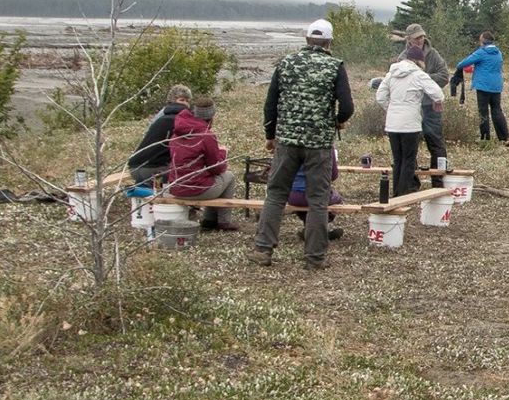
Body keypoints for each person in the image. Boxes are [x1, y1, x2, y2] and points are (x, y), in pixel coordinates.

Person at [251, 20, 355, 270]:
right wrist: (337, 122)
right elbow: (348, 107)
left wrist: (270, 134)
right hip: (318, 144)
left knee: (275, 194)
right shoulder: (335, 66)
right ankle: (314, 257)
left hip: (286, 141)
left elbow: (270, 104)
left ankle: (263, 250)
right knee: (318, 198)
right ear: (329, 42)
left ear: (307, 39)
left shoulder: (286, 63)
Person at [376, 55, 444, 206]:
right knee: (408, 160)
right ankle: (403, 195)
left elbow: (380, 97)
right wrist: (437, 102)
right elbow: (438, 93)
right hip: (410, 124)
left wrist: (392, 109)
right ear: (418, 61)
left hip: (393, 124)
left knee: (398, 159)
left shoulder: (391, 74)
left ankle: (395, 194)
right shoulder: (418, 74)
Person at [167, 94, 237, 230]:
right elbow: (216, 168)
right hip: (195, 189)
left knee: (212, 179)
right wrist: (223, 152)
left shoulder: (176, 133)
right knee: (228, 176)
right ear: (211, 117)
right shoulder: (206, 136)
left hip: (175, 186)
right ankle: (223, 221)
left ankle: (209, 220)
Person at [398, 24, 450, 171]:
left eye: (422, 36)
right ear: (408, 39)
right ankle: (411, 182)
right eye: (416, 37)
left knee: (436, 142)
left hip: (431, 106)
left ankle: (439, 180)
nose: (420, 40)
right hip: (411, 107)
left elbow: (445, 76)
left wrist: (423, 79)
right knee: (409, 146)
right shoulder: (402, 58)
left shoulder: (433, 54)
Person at [451, 31, 509, 144]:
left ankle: (485, 138)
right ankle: (505, 137)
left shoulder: (481, 52)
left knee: (483, 112)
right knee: (497, 110)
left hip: (483, 86)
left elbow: (461, 64)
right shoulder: (498, 53)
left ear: (483, 41)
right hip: (496, 85)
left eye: (480, 40)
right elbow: (490, 66)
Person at [128, 84, 191, 185]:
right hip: (154, 168)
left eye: (188, 101)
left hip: (134, 166)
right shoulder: (182, 118)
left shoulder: (161, 115)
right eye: (183, 100)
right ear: (176, 99)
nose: (187, 104)